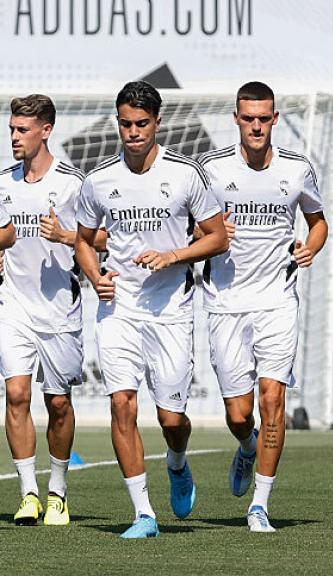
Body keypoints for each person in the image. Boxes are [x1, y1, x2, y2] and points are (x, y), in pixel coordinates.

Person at [74, 80, 228, 539]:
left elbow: (216, 237)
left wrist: (173, 256)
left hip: (171, 310)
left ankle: (177, 463)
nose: (133, 132)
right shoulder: (99, 179)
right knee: (122, 404)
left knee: (170, 419)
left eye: (142, 124)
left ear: (158, 124)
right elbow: (83, 240)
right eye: (125, 124)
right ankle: (144, 514)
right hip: (119, 309)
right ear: (117, 124)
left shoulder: (185, 174)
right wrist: (94, 276)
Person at [198, 81, 327, 532]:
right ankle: (247, 446)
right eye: (247, 117)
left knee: (274, 400)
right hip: (225, 302)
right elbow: (190, 228)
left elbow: (318, 222)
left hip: (277, 301)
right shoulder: (211, 170)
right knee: (239, 414)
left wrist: (310, 246)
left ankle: (260, 505)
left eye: (264, 118)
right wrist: (207, 237)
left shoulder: (296, 169)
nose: (256, 125)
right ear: (236, 119)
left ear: (275, 120)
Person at [1, 94, 99, 527]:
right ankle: (28, 494)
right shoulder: (3, 182)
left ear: (46, 130)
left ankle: (57, 490)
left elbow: (104, 240)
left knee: (58, 402)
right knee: (16, 394)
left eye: (22, 130)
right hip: (12, 306)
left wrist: (66, 237)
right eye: (11, 130)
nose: (14, 138)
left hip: (60, 309)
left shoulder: (74, 184)